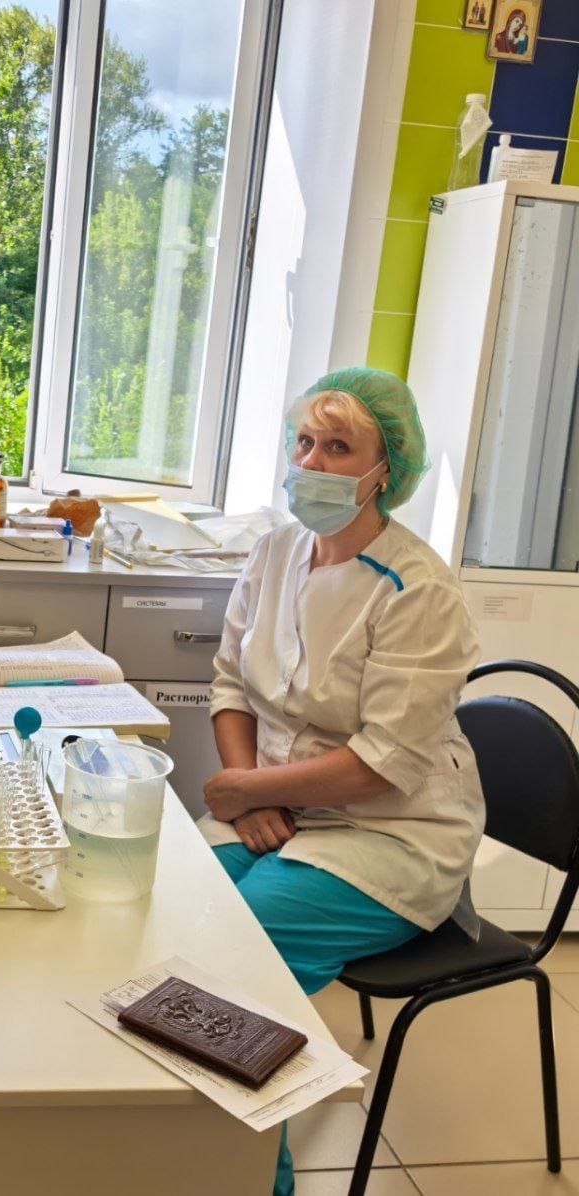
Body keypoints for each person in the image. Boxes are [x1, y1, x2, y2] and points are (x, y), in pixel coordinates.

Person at [196, 367, 484, 1196]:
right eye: (303, 442)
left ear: (385, 470)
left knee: (244, 951)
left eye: (337, 447)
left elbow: (382, 764)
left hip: (391, 834)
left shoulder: (419, 590)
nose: (311, 463)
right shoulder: (276, 551)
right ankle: (169, 1140)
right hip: (279, 804)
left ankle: (260, 1179)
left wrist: (255, 792)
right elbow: (230, 685)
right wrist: (248, 786)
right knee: (173, 903)